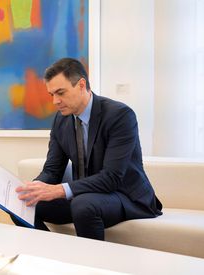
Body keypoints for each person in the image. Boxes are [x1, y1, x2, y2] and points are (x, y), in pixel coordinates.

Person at [11, 58, 162, 240]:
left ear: (81, 85)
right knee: (21, 206)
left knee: (83, 205)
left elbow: (111, 178)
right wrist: (33, 189)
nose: (55, 102)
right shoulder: (61, 120)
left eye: (60, 92)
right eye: (52, 95)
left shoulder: (120, 116)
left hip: (124, 195)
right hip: (85, 194)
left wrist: (59, 190)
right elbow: (52, 169)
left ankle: (91, 266)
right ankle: (53, 257)